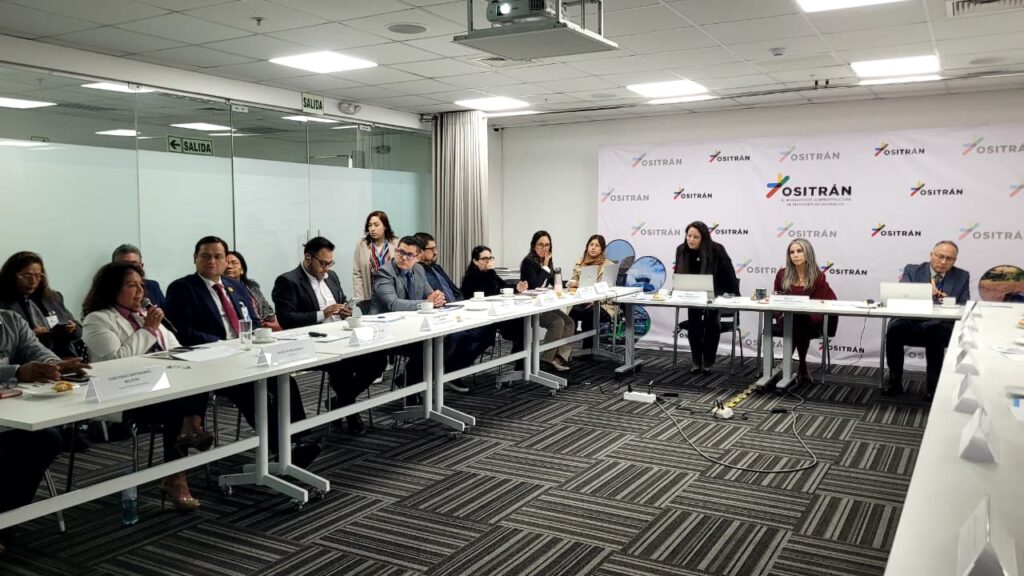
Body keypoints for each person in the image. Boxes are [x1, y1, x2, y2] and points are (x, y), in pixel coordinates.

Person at [164, 236, 319, 467]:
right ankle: (282, 448)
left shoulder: (235, 286)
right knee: (252, 391)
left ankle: (299, 440)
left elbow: (253, 321)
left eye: (218, 256)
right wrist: (225, 344)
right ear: (195, 258)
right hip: (211, 363)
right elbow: (183, 332)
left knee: (285, 382)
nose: (212, 261)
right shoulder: (183, 288)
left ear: (225, 260)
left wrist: (258, 336)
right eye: (205, 256)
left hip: (246, 355)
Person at [81, 262, 212, 510]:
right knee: (176, 405)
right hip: (124, 393)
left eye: (141, 285)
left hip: (161, 388)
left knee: (197, 382)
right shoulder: (97, 320)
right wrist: (149, 329)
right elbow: (115, 361)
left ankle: (188, 436)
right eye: (131, 285)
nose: (140, 291)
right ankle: (178, 471)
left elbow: (175, 348)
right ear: (112, 289)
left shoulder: (144, 314)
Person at [271, 237, 386, 435]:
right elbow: (286, 319)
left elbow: (341, 300)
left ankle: (339, 402)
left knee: (378, 358)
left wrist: (347, 311)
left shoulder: (331, 276)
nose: (326, 268)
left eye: (329, 263)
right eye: (322, 263)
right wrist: (321, 314)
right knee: (342, 365)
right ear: (308, 257)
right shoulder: (288, 281)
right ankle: (349, 411)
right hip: (313, 342)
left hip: (341, 336)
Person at [0, 309, 89, 554]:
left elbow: (35, 350)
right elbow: (18, 371)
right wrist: (16, 372)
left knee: (47, 440)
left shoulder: (10, 319)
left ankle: (7, 520)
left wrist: (54, 366)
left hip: (9, 413)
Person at [883, 240, 970, 399]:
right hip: (911, 321)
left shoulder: (962, 276)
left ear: (954, 260)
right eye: (940, 256)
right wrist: (926, 291)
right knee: (895, 330)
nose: (943, 262)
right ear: (931, 255)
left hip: (940, 324)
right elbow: (902, 295)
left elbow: (964, 304)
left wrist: (947, 301)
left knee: (935, 332)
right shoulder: (912, 270)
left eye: (949, 258)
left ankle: (932, 387)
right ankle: (894, 383)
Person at [413, 232, 488, 392]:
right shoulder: (416, 271)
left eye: (436, 248)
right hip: (438, 316)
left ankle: (452, 370)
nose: (436, 252)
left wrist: (461, 305)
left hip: (456, 311)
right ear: (419, 251)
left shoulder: (436, 268)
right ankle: (416, 377)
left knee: (485, 332)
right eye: (431, 249)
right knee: (457, 335)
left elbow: (455, 290)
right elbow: (421, 298)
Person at [370, 236, 445, 389]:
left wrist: (437, 298)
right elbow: (393, 304)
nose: (403, 257)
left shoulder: (418, 269)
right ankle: (410, 385)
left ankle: (407, 382)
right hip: (386, 330)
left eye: (409, 255)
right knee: (429, 347)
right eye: (400, 252)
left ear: (418, 257)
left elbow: (429, 294)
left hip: (411, 327)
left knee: (444, 341)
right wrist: (427, 303)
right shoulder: (384, 273)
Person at [673, 221, 738, 375]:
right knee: (694, 325)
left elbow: (729, 274)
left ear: (704, 238)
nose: (691, 240)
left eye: (695, 237)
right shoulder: (681, 250)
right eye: (689, 236)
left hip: (715, 294)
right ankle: (696, 360)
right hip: (692, 296)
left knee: (712, 325)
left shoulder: (717, 249)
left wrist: (732, 294)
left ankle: (708, 361)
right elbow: (679, 274)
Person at [772, 239, 837, 385]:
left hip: (811, 320)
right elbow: (777, 298)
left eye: (799, 251)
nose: (795, 255)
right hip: (787, 319)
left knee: (800, 320)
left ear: (808, 253)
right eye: (792, 252)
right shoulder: (782, 274)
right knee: (796, 320)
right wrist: (777, 311)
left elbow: (825, 301)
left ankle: (789, 363)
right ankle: (801, 364)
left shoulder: (817, 276)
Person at [0, 251, 83, 359]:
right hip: (28, 362)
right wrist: (29, 335)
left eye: (38, 276)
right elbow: (4, 345)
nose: (33, 281)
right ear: (11, 276)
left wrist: (73, 328)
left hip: (64, 357)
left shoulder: (53, 298)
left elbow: (79, 331)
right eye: (27, 276)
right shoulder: (3, 305)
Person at [461, 245, 527, 369]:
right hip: (482, 316)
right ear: (475, 261)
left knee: (523, 322)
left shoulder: (490, 273)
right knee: (520, 325)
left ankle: (521, 361)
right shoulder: (471, 277)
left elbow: (504, 286)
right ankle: (520, 361)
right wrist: (490, 272)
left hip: (497, 313)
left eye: (490, 258)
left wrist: (517, 288)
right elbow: (488, 294)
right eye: (485, 259)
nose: (489, 261)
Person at [520, 231, 574, 372]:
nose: (544, 248)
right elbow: (535, 284)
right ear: (534, 245)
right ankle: (545, 360)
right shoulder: (528, 262)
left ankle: (558, 358)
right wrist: (545, 266)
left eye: (547, 245)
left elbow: (554, 281)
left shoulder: (547, 260)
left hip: (544, 303)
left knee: (569, 322)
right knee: (557, 322)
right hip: (531, 305)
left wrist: (569, 283)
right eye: (541, 245)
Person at [567, 234, 616, 349]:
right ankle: (565, 351)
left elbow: (609, 289)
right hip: (582, 301)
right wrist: (574, 284)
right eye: (591, 244)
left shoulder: (609, 265)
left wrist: (594, 299)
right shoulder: (579, 263)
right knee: (571, 313)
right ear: (587, 247)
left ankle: (588, 350)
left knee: (590, 313)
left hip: (602, 304)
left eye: (597, 245)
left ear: (602, 249)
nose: (593, 247)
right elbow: (572, 283)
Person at [225, 250, 281, 332]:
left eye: (234, 263)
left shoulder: (252, 287)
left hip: (260, 326)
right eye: (226, 263)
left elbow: (267, 308)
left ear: (242, 270)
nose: (229, 266)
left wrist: (261, 321)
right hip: (240, 329)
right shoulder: (221, 289)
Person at [352, 210, 399, 302]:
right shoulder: (362, 245)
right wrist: (360, 299)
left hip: (393, 295)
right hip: (371, 296)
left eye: (376, 225)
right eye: (370, 225)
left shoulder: (396, 243)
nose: (372, 229)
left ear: (385, 226)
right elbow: (357, 274)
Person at [111, 244, 165, 308]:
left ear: (141, 266)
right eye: (124, 265)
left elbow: (164, 311)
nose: (130, 269)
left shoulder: (152, 286)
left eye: (134, 265)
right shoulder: (106, 288)